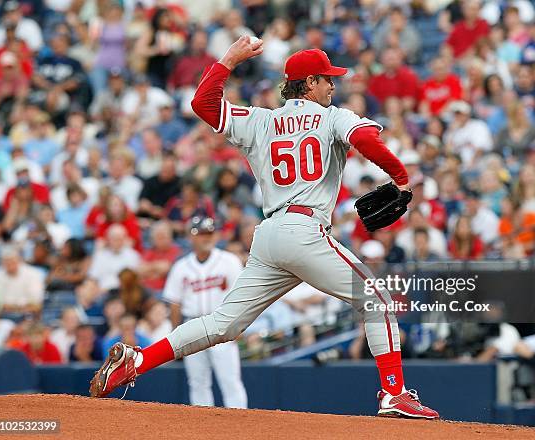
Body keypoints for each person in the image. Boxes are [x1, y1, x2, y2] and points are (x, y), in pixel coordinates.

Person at [90, 37, 439, 419]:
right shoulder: (333, 116)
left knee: (223, 325)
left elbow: (202, 104)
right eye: (326, 79)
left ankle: (137, 362)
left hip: (269, 235)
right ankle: (394, 394)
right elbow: (365, 138)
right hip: (304, 229)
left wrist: (227, 60)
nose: (332, 85)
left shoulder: (261, 120)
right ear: (309, 84)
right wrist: (401, 178)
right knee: (379, 301)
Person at [162, 216, 247, 408]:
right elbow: (175, 304)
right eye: (201, 234)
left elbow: (241, 296)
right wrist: (177, 336)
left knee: (230, 380)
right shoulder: (181, 267)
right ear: (191, 237)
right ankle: (202, 429)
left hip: (222, 326)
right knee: (198, 382)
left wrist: (239, 326)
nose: (206, 238)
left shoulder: (229, 261)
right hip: (193, 325)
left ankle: (241, 426)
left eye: (209, 233)